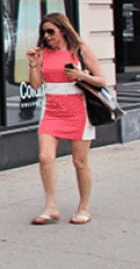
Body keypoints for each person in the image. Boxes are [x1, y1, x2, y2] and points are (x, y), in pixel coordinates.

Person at [26, 12, 104, 226]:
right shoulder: (43, 53)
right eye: (44, 32)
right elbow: (35, 85)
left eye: (51, 31)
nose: (47, 36)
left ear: (63, 30)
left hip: (78, 112)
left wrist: (82, 76)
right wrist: (33, 64)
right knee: (45, 157)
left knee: (80, 162)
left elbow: (101, 80)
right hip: (51, 111)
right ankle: (51, 206)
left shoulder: (79, 50)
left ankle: (84, 208)